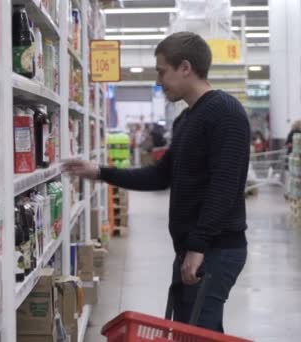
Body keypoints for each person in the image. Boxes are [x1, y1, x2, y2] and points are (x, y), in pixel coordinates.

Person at [63, 32, 249, 333]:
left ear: (185, 67)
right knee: (193, 331)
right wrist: (98, 171)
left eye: (162, 71)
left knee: (198, 333)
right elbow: (160, 176)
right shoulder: (186, 119)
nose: (159, 81)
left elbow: (224, 186)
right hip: (193, 248)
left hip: (216, 249)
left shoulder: (225, 113)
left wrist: (198, 247)